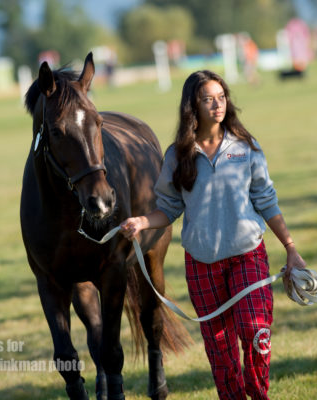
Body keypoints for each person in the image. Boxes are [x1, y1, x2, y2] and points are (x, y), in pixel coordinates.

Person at [120, 70, 306, 400]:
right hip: (202, 264)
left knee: (255, 329)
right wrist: (142, 222)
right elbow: (169, 208)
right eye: (208, 99)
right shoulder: (177, 156)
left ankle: (258, 392)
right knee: (220, 352)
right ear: (193, 105)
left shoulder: (246, 147)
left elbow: (266, 199)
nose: (217, 105)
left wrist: (290, 248)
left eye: (221, 97)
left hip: (247, 256)